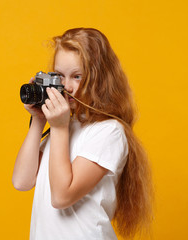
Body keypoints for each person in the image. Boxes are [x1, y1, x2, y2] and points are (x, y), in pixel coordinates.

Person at [12, 28, 153, 240]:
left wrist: (59, 128)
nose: (66, 86)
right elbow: (21, 181)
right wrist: (39, 121)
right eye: (60, 76)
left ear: (99, 79)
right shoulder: (65, 123)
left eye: (77, 76)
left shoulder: (109, 131)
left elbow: (61, 196)